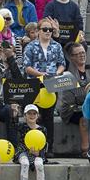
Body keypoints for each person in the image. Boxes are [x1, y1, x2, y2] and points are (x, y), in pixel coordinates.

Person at [23, 17, 65, 150]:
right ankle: (32, 145)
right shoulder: (30, 46)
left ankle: (48, 147)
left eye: (50, 30)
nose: (48, 32)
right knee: (34, 116)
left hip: (51, 84)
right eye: (45, 29)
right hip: (35, 83)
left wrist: (57, 73)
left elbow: (62, 64)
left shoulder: (56, 46)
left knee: (49, 117)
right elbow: (26, 67)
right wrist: (41, 74)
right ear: (39, 31)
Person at [15, 104, 53, 180]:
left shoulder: (42, 129)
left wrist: (39, 153)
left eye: (34, 113)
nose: (32, 116)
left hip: (37, 152)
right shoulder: (21, 127)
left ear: (37, 115)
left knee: (39, 164)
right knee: (25, 163)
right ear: (25, 115)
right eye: (29, 113)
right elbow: (12, 126)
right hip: (23, 151)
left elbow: (44, 144)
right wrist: (14, 113)